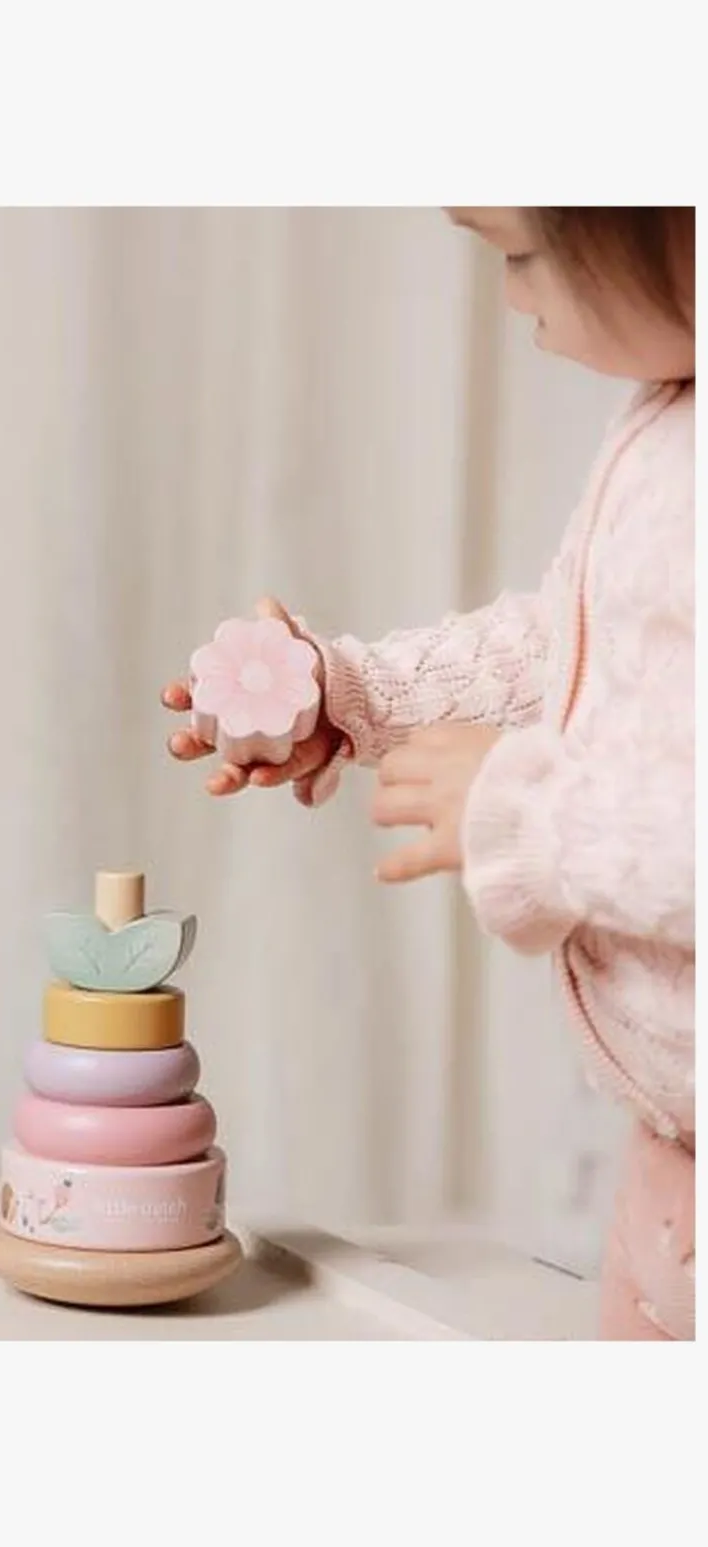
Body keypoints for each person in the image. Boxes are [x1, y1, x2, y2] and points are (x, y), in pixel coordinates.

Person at [162, 208, 695, 1340]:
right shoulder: (667, 420)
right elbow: (572, 645)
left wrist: (533, 817)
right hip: (668, 1150)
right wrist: (355, 694)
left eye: (519, 252)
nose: (509, 294)